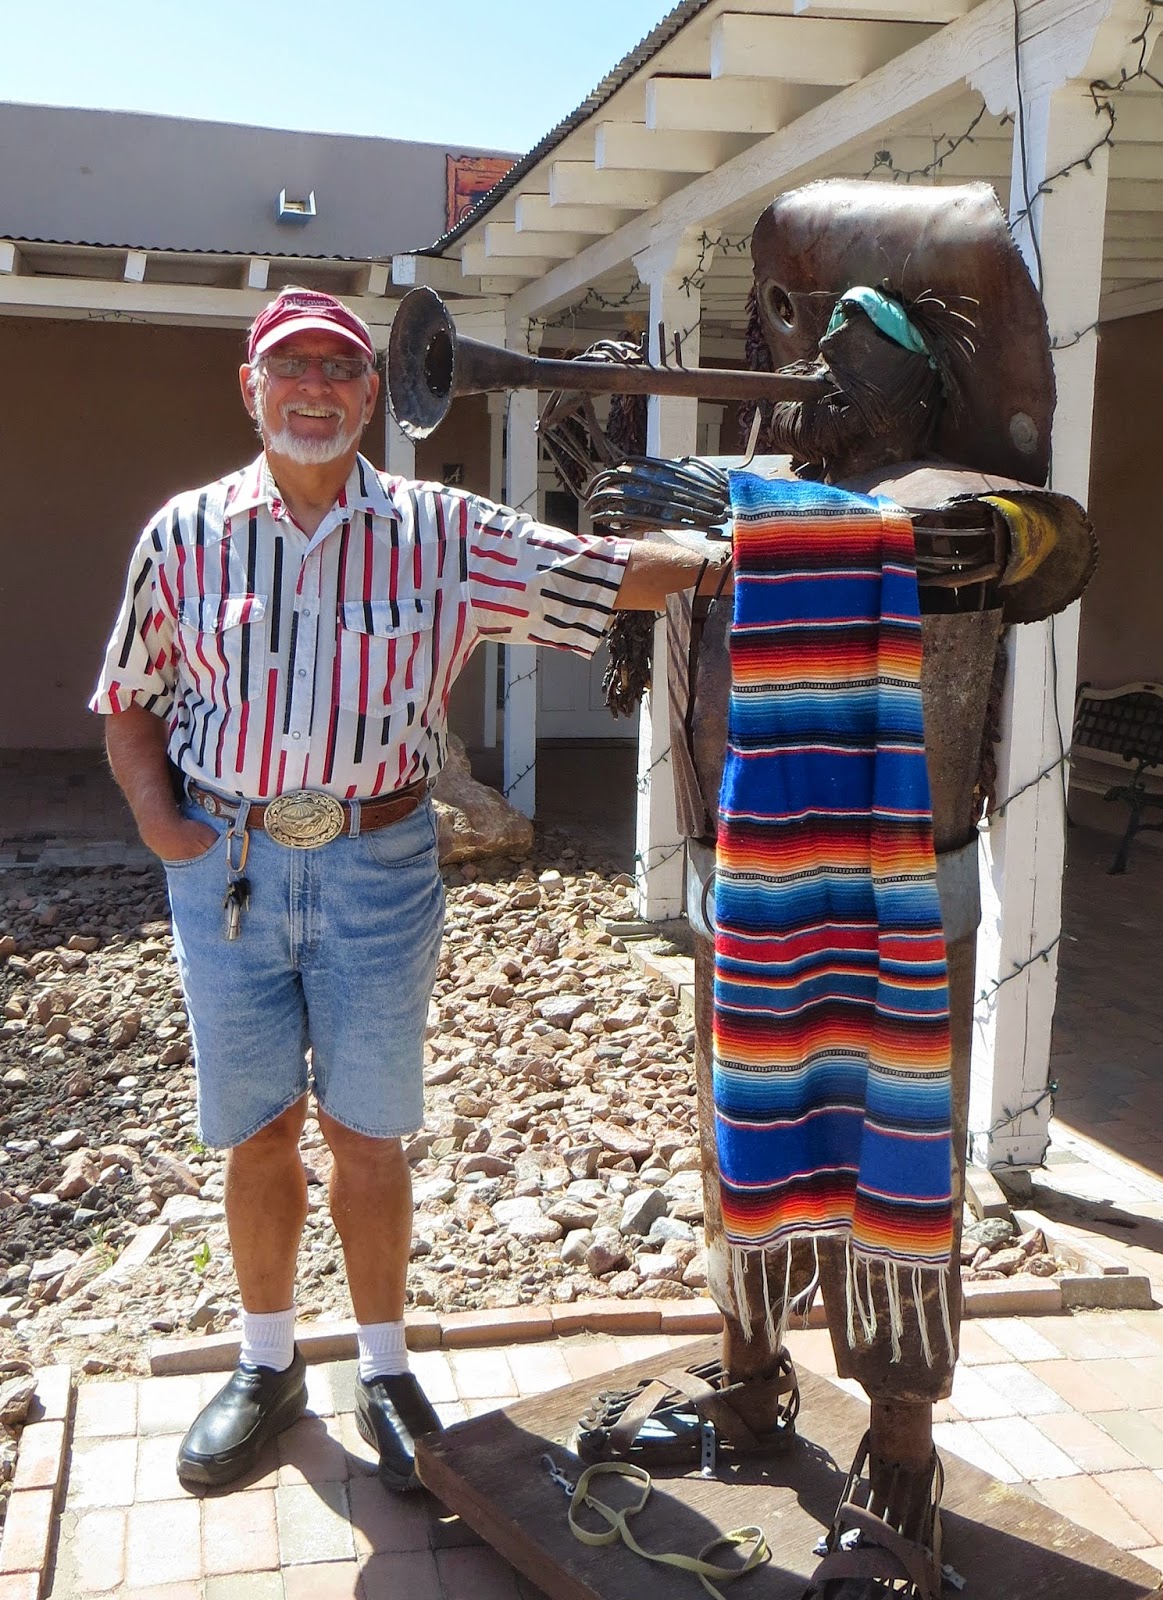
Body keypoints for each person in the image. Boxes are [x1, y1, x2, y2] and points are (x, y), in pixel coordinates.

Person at [91, 285, 725, 1494]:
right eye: (291, 367)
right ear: (250, 387)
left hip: (379, 866)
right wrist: (165, 830)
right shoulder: (184, 534)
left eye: (339, 367)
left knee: (367, 1130)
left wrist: (753, 552)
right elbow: (130, 698)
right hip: (226, 868)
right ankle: (266, 1361)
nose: (314, 388)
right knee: (258, 1127)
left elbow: (600, 572)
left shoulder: (443, 533)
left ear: (373, 392)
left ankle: (383, 1367)